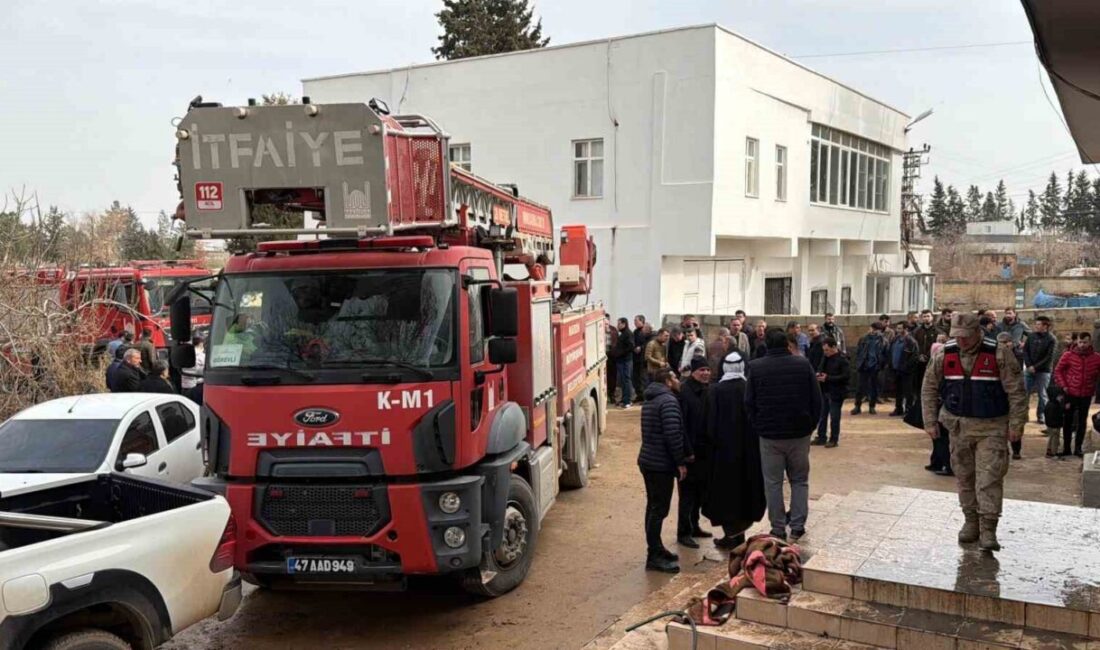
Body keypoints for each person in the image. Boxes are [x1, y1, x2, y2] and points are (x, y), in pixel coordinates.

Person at [921, 313, 1027, 552]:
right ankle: (970, 521)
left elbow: (1017, 392)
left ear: (978, 332)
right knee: (964, 477)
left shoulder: (999, 354)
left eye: (966, 337)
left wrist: (1017, 424)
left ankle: (988, 528)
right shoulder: (944, 354)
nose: (961, 341)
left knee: (989, 479)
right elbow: (928, 388)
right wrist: (930, 421)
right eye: (957, 336)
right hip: (958, 427)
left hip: (992, 427)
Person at [745, 328, 822, 541]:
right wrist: (810, 425)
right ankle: (797, 525)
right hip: (799, 433)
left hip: (770, 435)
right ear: (788, 345)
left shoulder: (756, 367)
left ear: (766, 345)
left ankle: (777, 527)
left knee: (773, 483)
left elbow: (749, 403)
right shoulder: (802, 364)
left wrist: (759, 426)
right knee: (799, 480)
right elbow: (816, 399)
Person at [704, 351, 765, 549]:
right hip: (749, 451)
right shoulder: (749, 387)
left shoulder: (715, 390)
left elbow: (710, 424)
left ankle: (731, 534)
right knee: (745, 491)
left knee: (726, 493)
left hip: (723, 453)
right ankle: (737, 534)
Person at [637, 368, 686, 573]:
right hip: (660, 465)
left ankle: (656, 548)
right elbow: (673, 434)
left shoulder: (651, 399)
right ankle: (654, 556)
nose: (677, 380)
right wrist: (680, 462)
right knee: (659, 510)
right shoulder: (668, 401)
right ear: (667, 381)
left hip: (648, 461)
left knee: (653, 507)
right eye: (674, 377)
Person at [677, 357, 713, 548]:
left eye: (708, 370)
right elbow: (680, 425)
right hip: (689, 452)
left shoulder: (708, 390)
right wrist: (686, 452)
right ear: (693, 372)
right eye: (702, 370)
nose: (706, 373)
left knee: (699, 492)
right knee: (687, 495)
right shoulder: (685, 391)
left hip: (704, 452)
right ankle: (683, 532)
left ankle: (694, 525)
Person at [1053, 332, 1100, 458]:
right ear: (1076, 342)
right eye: (1080, 342)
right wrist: (1064, 385)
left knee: (1082, 421)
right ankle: (1066, 448)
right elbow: (1058, 370)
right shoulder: (1068, 355)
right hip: (1070, 393)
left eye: (1085, 342)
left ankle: (1078, 448)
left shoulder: (1096, 358)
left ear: (1090, 342)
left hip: (1086, 393)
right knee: (1068, 421)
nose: (1082, 345)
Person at [814, 337, 850, 448]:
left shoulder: (843, 359)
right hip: (825, 390)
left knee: (834, 417)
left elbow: (846, 376)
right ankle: (821, 437)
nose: (825, 352)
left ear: (834, 347)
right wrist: (819, 374)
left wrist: (828, 378)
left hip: (837, 392)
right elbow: (820, 368)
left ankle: (834, 439)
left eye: (827, 350)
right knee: (822, 415)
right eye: (824, 350)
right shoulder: (825, 357)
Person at [1023, 316, 1056, 427]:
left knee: (1042, 394)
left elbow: (1049, 357)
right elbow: (1025, 351)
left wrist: (1035, 367)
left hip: (1043, 371)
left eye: (1039, 324)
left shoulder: (1051, 339)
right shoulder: (1031, 336)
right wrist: (1029, 365)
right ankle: (1024, 415)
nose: (1036, 326)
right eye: (1036, 324)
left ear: (1045, 326)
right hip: (1029, 369)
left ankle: (1041, 415)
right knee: (1025, 393)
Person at [852, 323, 886, 415]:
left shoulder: (883, 340)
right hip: (864, 365)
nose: (873, 331)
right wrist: (858, 363)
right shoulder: (863, 339)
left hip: (875, 366)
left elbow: (885, 353)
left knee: (874, 388)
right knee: (860, 387)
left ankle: (872, 406)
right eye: (872, 329)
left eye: (876, 330)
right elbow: (858, 351)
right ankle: (857, 406)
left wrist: (881, 364)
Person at [889, 323, 919, 417]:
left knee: (908, 392)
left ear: (906, 329)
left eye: (900, 328)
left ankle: (908, 410)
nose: (897, 330)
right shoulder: (895, 339)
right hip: (896, 369)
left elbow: (914, 356)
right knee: (898, 391)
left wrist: (906, 367)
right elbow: (891, 352)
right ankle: (898, 409)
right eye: (897, 328)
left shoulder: (911, 341)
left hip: (906, 371)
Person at [611, 318, 635, 409]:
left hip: (625, 361)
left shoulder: (628, 334)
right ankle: (624, 399)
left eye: (619, 324)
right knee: (623, 381)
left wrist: (619, 353)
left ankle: (627, 401)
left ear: (624, 324)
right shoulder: (623, 333)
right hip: (621, 360)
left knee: (626, 380)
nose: (617, 325)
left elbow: (631, 346)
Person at [632, 316, 651, 400]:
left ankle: (644, 396)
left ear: (642, 321)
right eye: (634, 321)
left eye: (636, 321)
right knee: (635, 378)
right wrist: (634, 348)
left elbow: (647, 344)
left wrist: (641, 347)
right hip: (635, 358)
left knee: (643, 378)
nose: (634, 322)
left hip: (643, 359)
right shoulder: (635, 332)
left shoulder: (645, 333)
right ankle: (639, 395)